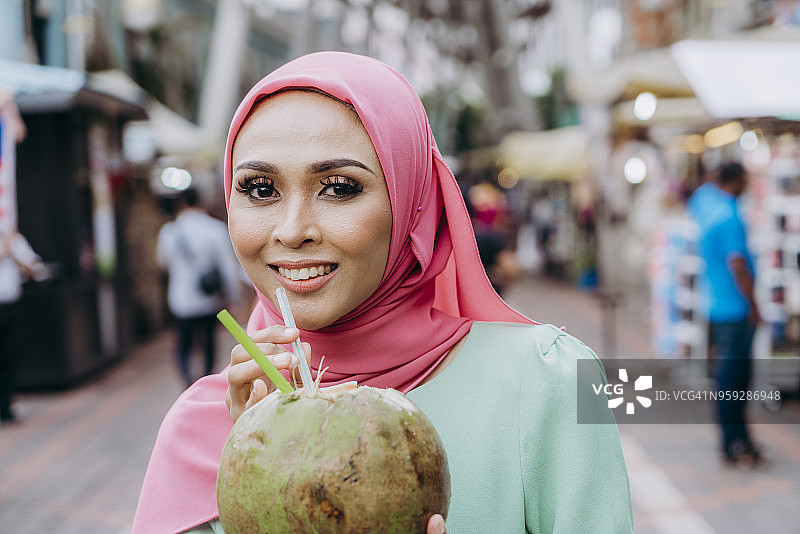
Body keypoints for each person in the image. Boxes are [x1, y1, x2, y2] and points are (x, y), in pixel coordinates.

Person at [133, 52, 632, 533]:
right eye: (261, 189)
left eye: (340, 187)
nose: (291, 230)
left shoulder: (546, 383)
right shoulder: (204, 433)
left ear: (412, 202)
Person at [687, 161, 766, 468]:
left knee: (726, 380)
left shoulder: (705, 205)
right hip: (735, 310)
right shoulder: (730, 215)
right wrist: (754, 303)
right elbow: (737, 263)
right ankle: (737, 443)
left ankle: (733, 442)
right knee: (735, 381)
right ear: (737, 180)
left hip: (717, 307)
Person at [157, 187, 243, 387]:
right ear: (200, 202)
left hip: (180, 300)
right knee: (209, 342)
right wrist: (234, 299)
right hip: (209, 299)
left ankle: (187, 380)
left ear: (180, 204)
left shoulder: (169, 232)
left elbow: (162, 263)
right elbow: (228, 268)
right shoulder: (214, 229)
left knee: (183, 344)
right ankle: (205, 379)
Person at [0, 228, 47, 423]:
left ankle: (5, 405)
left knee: (11, 355)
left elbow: (37, 270)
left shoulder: (13, 237)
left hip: (11, 307)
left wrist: (18, 258)